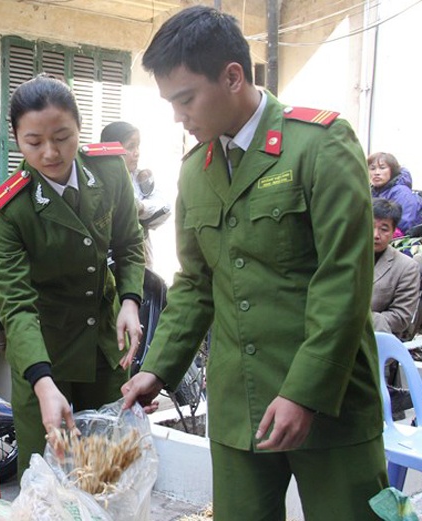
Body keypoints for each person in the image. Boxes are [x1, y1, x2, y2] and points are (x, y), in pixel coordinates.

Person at [120, 6, 388, 520]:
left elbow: (344, 280)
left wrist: (304, 392)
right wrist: (156, 369)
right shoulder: (196, 171)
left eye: (186, 99)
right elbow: (197, 284)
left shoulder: (319, 145)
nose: (179, 116)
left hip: (329, 401)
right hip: (239, 405)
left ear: (233, 76)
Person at [0, 74, 145, 477]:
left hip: (104, 349)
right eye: (34, 142)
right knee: (47, 482)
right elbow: (16, 305)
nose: (51, 153)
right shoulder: (10, 208)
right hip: (44, 353)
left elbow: (129, 242)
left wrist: (130, 300)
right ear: (17, 140)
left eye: (63, 137)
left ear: (79, 129)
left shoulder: (109, 171)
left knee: (107, 475)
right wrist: (41, 381)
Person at [100, 121, 171, 269]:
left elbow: (165, 207)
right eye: (130, 146)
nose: (137, 152)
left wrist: (141, 207)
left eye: (138, 146)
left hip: (142, 257)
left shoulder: (141, 178)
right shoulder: (96, 181)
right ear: (111, 149)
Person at [371, 198, 420, 339]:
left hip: (377, 341)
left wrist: (359, 317)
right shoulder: (345, 257)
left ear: (393, 232)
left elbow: (401, 316)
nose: (376, 235)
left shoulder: (406, 267)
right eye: (371, 226)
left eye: (384, 229)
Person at [369, 151, 422, 235]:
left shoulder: (402, 192)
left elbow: (404, 227)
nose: (377, 173)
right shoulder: (372, 192)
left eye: (382, 168)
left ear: (392, 171)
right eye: (372, 168)